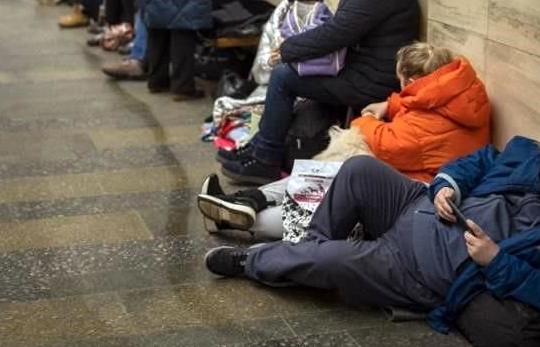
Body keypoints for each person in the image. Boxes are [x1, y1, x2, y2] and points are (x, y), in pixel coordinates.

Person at [205, 130, 540, 337]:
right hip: (418, 204)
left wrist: (497, 260)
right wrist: (449, 185)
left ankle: (256, 261)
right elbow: (480, 159)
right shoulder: (536, 166)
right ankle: (306, 255)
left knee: (335, 261)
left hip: (418, 269)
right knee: (358, 169)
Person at [220, 0, 420, 183]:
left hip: (372, 80)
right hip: (361, 69)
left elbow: (338, 32)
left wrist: (290, 49)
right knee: (292, 75)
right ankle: (260, 147)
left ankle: (264, 158)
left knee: (284, 76)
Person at [197, 42, 491, 237]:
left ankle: (235, 217)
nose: (399, 89)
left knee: (325, 196)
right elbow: (415, 102)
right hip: (417, 177)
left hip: (417, 195)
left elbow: (389, 141)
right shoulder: (457, 94)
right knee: (327, 174)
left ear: (414, 81)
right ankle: (246, 200)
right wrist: (389, 104)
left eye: (401, 82)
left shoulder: (428, 123)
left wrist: (367, 119)